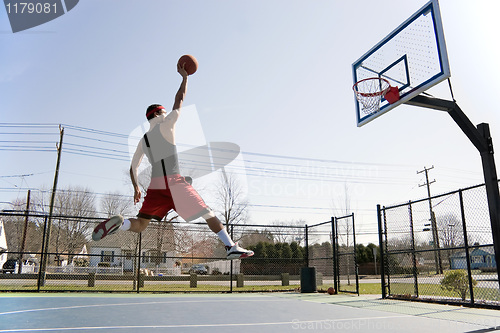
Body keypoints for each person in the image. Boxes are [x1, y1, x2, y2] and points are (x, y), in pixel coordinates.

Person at [92, 63, 254, 260]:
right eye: (164, 112)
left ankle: (122, 223)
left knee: (141, 224)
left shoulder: (143, 141)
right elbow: (179, 99)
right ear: (159, 114)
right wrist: (185, 78)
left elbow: (133, 168)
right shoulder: (167, 125)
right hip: (174, 183)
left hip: (155, 187)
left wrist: (136, 188)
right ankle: (230, 246)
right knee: (208, 213)